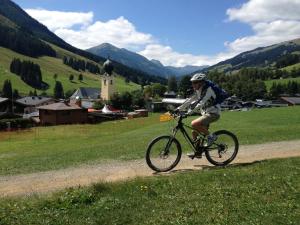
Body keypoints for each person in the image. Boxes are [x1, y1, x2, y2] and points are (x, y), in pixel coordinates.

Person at [176, 73, 221, 157]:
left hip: (213, 113)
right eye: (192, 82)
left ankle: (211, 137)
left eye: (195, 82)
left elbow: (200, 103)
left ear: (201, 82)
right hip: (206, 113)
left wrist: (188, 113)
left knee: (194, 124)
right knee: (194, 132)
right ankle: (198, 152)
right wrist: (179, 109)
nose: (193, 84)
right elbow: (189, 100)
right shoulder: (198, 91)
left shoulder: (208, 90)